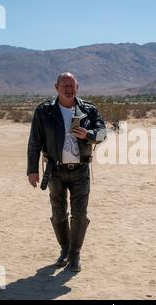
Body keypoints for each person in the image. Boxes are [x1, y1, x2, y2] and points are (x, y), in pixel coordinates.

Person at [27, 72, 106, 272]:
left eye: (72, 85)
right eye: (65, 85)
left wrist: (89, 134)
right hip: (55, 170)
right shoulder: (44, 111)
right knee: (58, 213)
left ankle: (74, 254)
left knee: (80, 215)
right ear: (56, 88)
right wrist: (32, 169)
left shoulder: (89, 109)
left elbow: (103, 133)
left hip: (80, 170)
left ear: (77, 87)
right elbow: (34, 142)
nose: (69, 89)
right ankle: (64, 248)